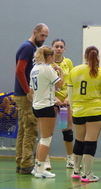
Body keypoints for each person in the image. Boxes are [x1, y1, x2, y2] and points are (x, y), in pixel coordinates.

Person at [68, 46, 101, 182]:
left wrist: (72, 108)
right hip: (95, 111)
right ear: (97, 57)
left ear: (84, 56)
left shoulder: (74, 71)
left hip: (78, 110)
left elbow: (69, 93)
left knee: (79, 140)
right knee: (90, 142)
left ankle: (76, 171)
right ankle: (87, 174)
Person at [14, 23, 49, 174]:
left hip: (22, 94)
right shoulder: (28, 47)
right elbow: (20, 70)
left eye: (46, 36)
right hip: (25, 95)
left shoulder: (31, 48)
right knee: (31, 129)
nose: (43, 39)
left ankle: (21, 161)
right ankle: (27, 162)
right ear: (35, 32)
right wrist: (28, 90)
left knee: (23, 129)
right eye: (42, 35)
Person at [27, 45, 64, 178]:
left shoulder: (34, 69)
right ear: (49, 56)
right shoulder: (47, 69)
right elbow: (60, 84)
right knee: (46, 139)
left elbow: (31, 90)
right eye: (52, 55)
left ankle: (37, 167)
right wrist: (60, 71)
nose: (54, 58)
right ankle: (40, 169)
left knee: (42, 138)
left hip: (36, 106)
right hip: (46, 106)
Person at [42, 38, 75, 170]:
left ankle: (70, 158)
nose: (59, 49)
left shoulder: (68, 62)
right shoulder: (47, 64)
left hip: (64, 102)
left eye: (61, 46)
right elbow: (45, 83)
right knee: (48, 132)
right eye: (56, 46)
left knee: (66, 129)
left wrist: (68, 97)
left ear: (64, 49)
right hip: (51, 100)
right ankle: (45, 159)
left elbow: (72, 81)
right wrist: (54, 97)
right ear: (52, 48)